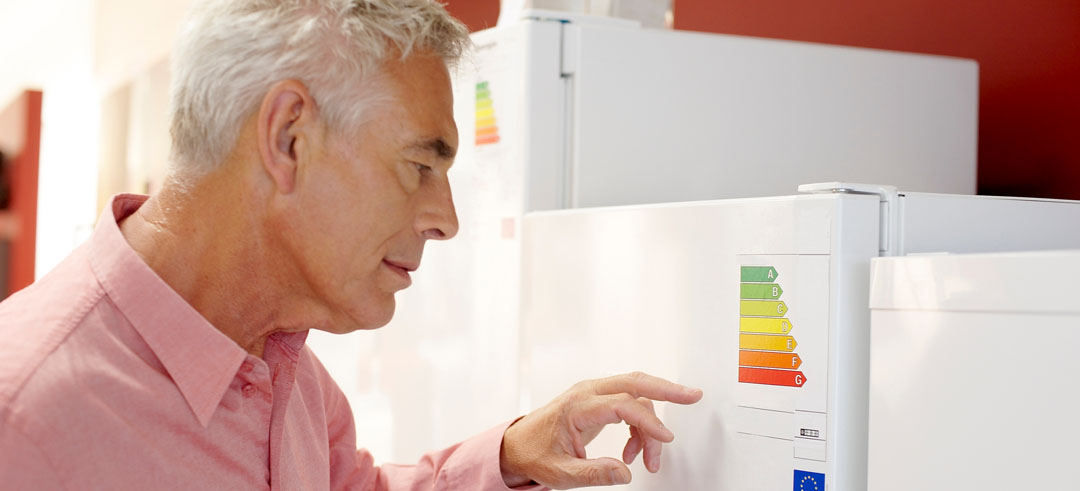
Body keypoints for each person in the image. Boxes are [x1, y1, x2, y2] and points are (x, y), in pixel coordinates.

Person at [0, 1, 703, 489]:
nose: (445, 218)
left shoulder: (292, 377)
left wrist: (513, 453)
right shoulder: (24, 418)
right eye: (421, 165)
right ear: (289, 138)